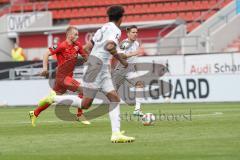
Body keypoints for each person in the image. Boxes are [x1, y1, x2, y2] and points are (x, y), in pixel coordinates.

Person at [29, 26, 90, 127]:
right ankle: (79, 115)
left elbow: (85, 57)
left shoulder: (77, 45)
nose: (77, 36)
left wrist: (88, 58)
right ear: (70, 35)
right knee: (83, 90)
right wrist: (45, 68)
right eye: (76, 34)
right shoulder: (61, 45)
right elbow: (46, 54)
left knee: (53, 98)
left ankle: (35, 113)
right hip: (62, 77)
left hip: (68, 77)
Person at [112, 25, 145, 116]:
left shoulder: (136, 43)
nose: (135, 34)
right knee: (112, 93)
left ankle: (137, 110)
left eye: (136, 32)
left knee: (139, 84)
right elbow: (120, 56)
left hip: (130, 69)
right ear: (128, 33)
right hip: (121, 69)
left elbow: (134, 59)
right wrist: (133, 53)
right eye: (133, 32)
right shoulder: (125, 43)